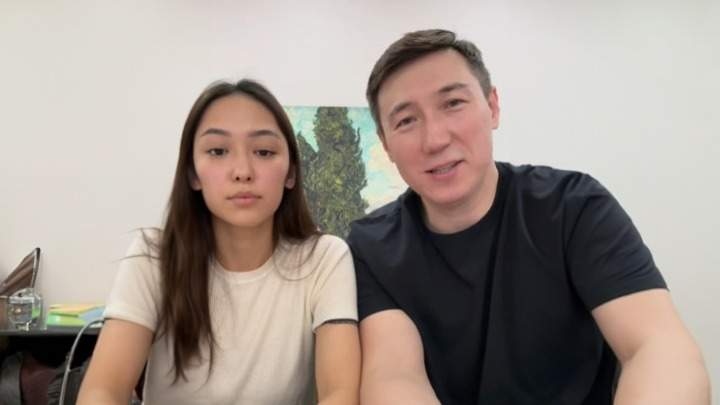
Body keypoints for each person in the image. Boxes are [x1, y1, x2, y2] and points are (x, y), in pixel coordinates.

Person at [347, 29, 710, 404]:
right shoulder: (370, 248)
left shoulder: (574, 207)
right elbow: (395, 376)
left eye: (453, 103)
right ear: (386, 144)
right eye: (406, 121)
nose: (435, 139)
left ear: (493, 107)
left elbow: (657, 347)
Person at [78, 79, 360, 404]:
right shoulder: (154, 256)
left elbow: (340, 393)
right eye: (218, 151)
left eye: (264, 152)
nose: (242, 171)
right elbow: (103, 389)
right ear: (192, 174)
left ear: (291, 174)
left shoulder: (325, 259)